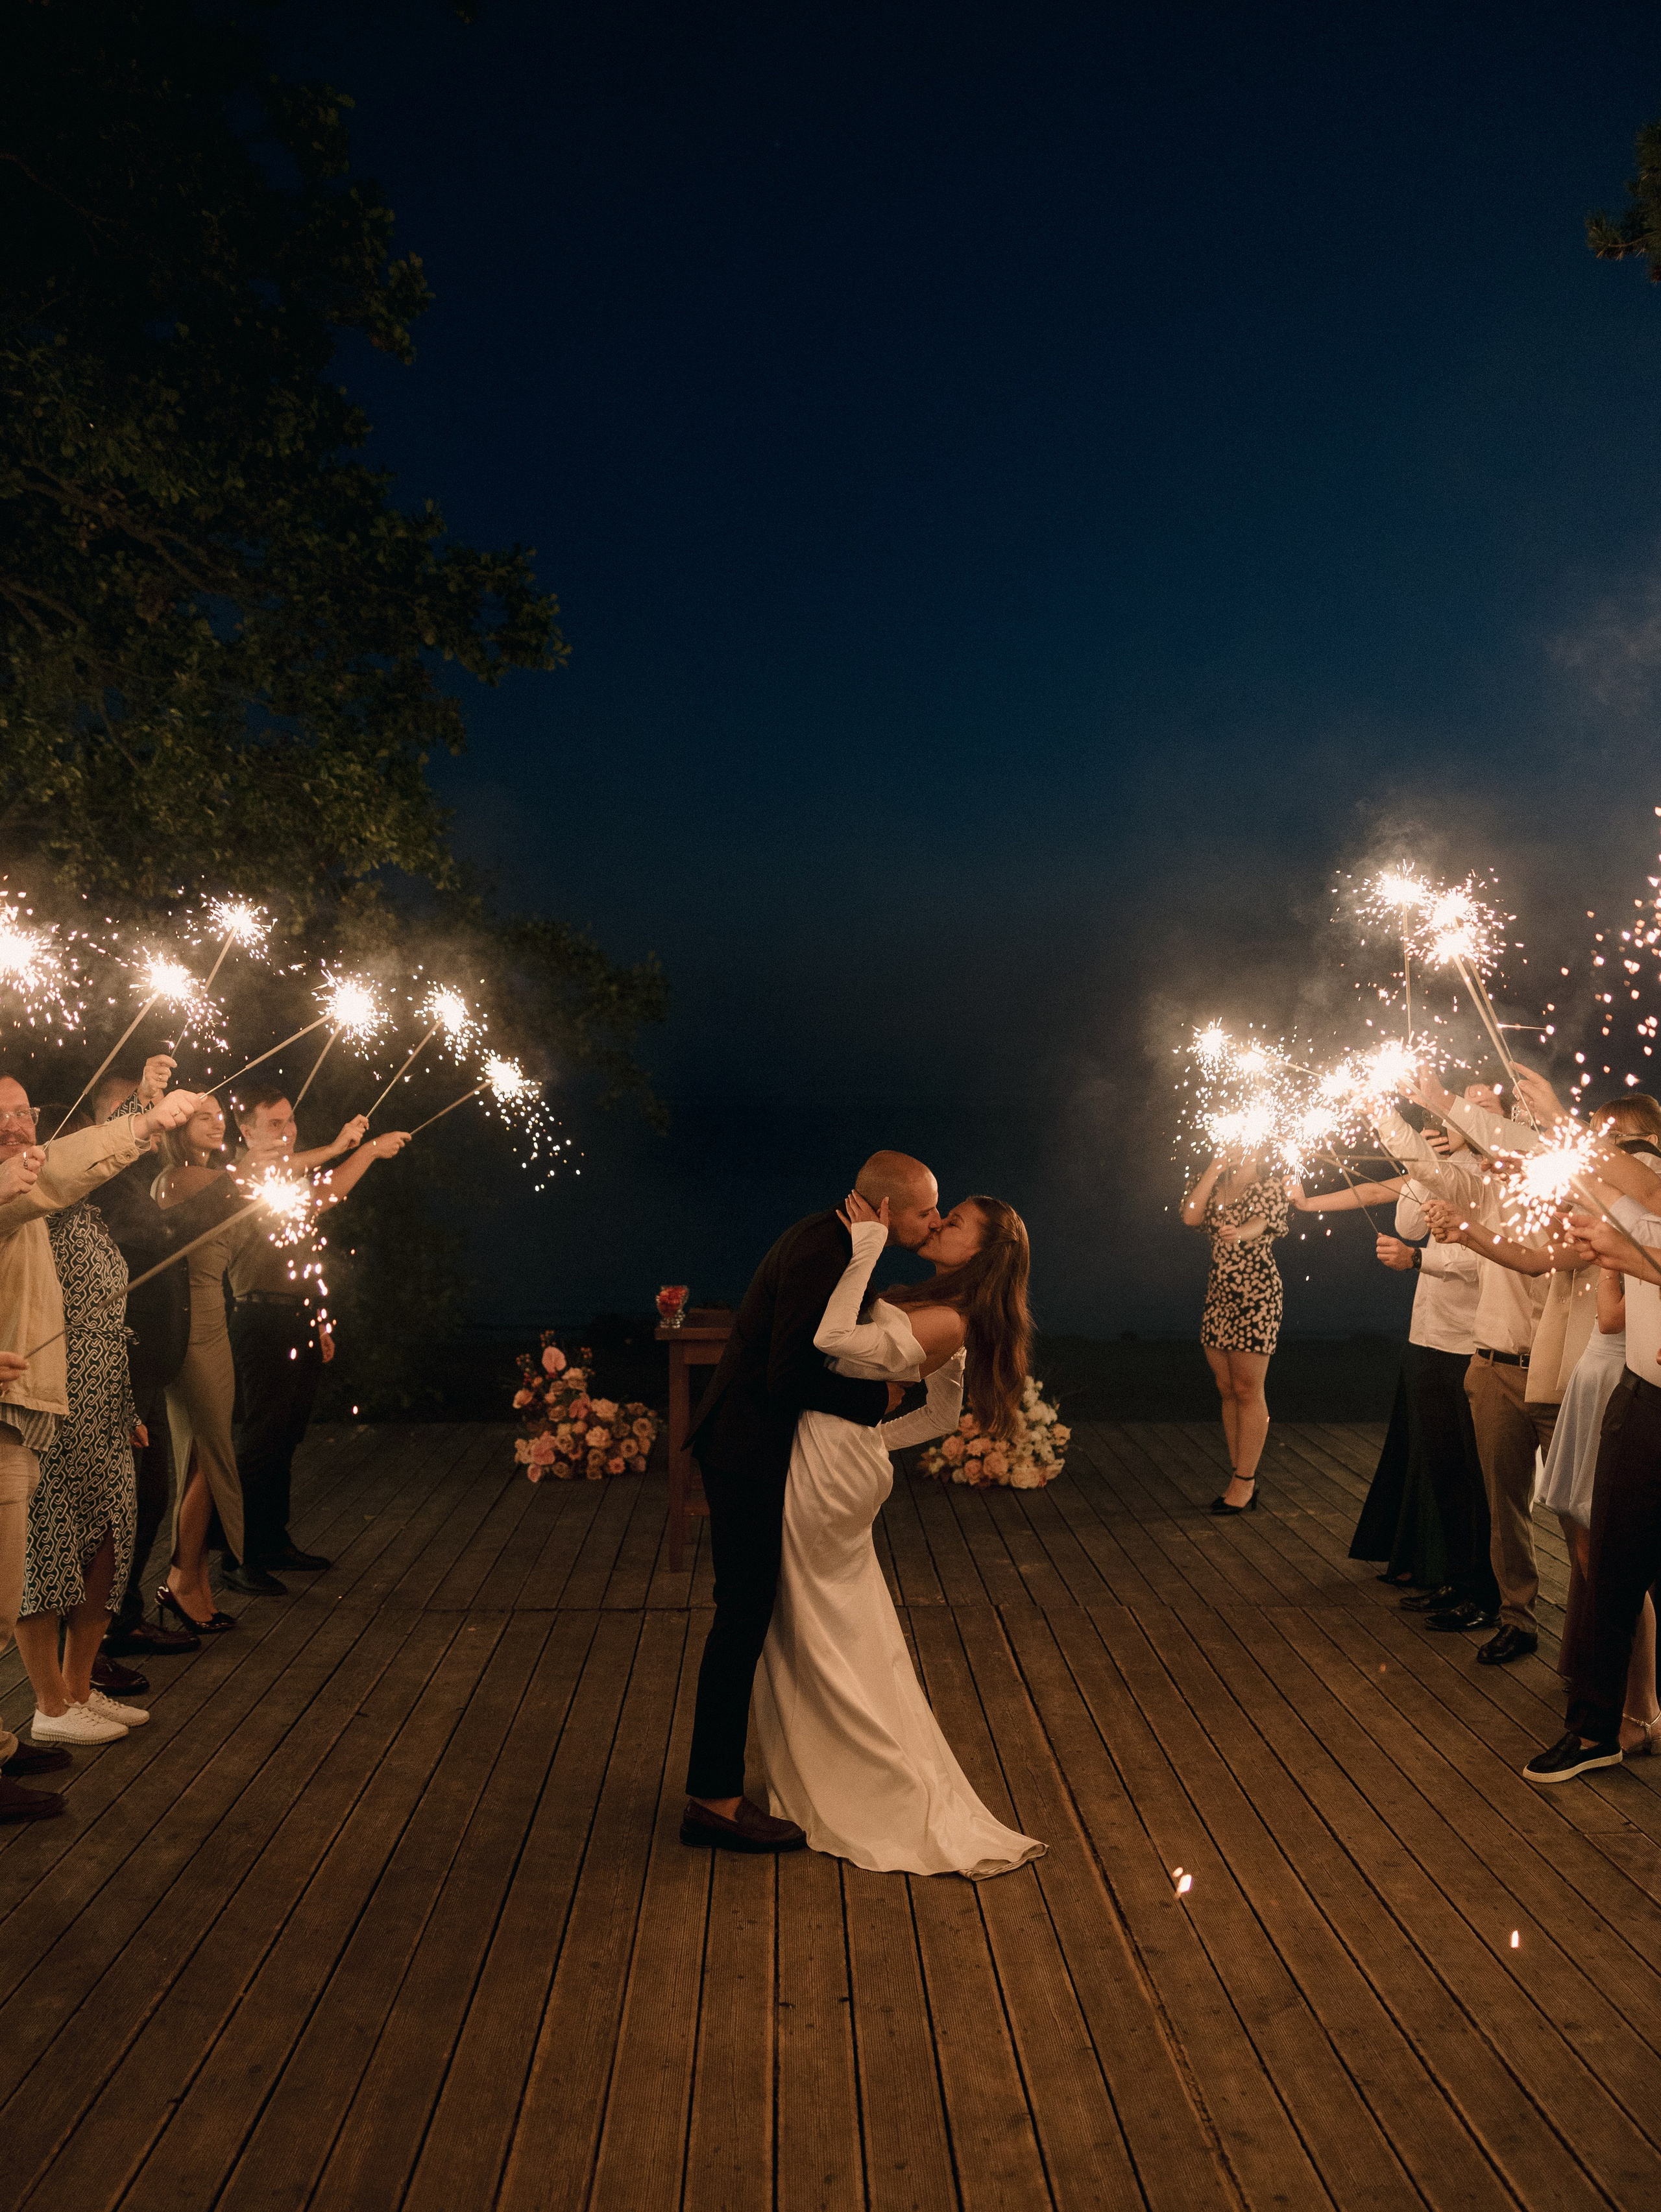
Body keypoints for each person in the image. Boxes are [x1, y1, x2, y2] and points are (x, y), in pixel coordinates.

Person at [752, 1190, 1044, 1876]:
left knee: (814, 1621)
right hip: (840, 1454)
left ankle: (869, 1784)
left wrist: (865, 1247)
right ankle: (832, 1762)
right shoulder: (938, 1303)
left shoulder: (948, 1319)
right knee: (836, 1623)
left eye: (955, 1222)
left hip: (831, 1468)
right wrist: (871, 1441)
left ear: (982, 1253)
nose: (940, 1223)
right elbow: (940, 1414)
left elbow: (829, 1340)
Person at [680, 1150, 940, 1853]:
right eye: (925, 1211)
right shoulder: (822, 1250)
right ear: (887, 1209)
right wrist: (878, 1398)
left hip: (761, 1449)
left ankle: (740, 1783)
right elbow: (786, 1374)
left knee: (751, 1613)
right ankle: (713, 1799)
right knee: (741, 1616)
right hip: (744, 1451)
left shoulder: (842, 1242)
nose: (935, 1221)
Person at [0, 1074, 201, 1821]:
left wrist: (146, 1118)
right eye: (3, 1116)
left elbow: (77, 1162)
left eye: (24, 1112)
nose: (19, 1127)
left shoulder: (49, 1193)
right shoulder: (24, 1196)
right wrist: (144, 1113)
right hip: (29, 1413)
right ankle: (50, 1704)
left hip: (63, 1401)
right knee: (27, 1573)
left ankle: (48, 1710)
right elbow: (73, 1161)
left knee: (77, 1555)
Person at [1373, 1066, 1553, 1665]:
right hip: (1486, 1361)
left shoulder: (1556, 1193)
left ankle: (1582, 1628)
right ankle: (1508, 1610)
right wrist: (1381, 1110)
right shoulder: (1480, 1187)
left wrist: (1455, 1241)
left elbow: (1526, 1260)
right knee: (1492, 1499)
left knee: (1566, 1510)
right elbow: (1424, 1178)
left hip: (1549, 1368)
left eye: (1484, 1113)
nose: (1466, 1122)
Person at [1518, 1104, 1661, 1781]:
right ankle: (1595, 1729)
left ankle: (1638, 1712)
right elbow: (1614, 1201)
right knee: (1609, 1562)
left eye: (1621, 1144)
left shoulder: (1649, 1182)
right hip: (1640, 1394)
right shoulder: (1641, 1196)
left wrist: (1556, 1117)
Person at [226, 1087, 408, 1582]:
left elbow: (321, 1204)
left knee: (287, 1435)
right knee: (262, 1435)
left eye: (290, 1121)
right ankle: (239, 1555)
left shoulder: (289, 1176)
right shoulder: (241, 1175)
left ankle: (273, 1539)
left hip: (298, 1316)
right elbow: (308, 1183)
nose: (287, 1132)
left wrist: (319, 1317)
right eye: (274, 1124)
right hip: (260, 1319)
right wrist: (340, 1148)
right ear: (246, 1131)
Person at [14, 1105, 152, 1746]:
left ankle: (77, 1686)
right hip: (52, 1398)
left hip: (104, 1401)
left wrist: (125, 1405)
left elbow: (107, 1321)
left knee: (110, 1539)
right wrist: (144, 1104)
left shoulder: (91, 1217)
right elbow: (97, 1146)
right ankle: (50, 1704)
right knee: (46, 1550)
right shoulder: (31, 1210)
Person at [87, 1060, 199, 1666]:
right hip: (117, 1371)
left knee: (147, 1500)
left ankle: (121, 1617)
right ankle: (90, 1643)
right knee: (115, 1508)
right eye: (135, 1110)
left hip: (148, 1369)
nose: (152, 1123)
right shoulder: (99, 1183)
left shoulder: (137, 1181)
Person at [152, 1094, 262, 1630]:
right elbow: (248, 1185)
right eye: (204, 1116)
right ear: (178, 1126)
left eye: (220, 1115)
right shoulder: (180, 1179)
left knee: (203, 1451)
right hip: (192, 1327)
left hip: (214, 1321)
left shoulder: (212, 1177)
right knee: (209, 1451)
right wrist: (335, 1148)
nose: (218, 1122)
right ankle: (180, 1578)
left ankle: (194, 1579)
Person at [1182, 1147, 1292, 1513]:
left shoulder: (1271, 1186)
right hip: (1219, 1296)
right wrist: (1215, 1169)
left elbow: (1259, 1223)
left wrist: (1240, 1234)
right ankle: (1238, 1473)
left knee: (1247, 1388)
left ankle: (1246, 1481)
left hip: (1257, 1295)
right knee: (1226, 1387)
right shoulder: (1212, 1183)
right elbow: (1190, 1216)